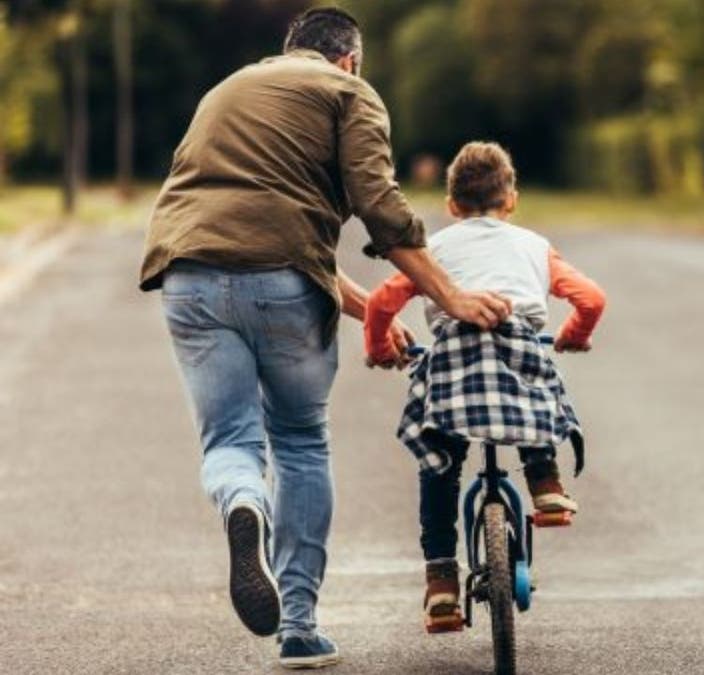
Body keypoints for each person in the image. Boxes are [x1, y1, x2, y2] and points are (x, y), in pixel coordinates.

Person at [137, 8, 511, 669]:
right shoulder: (348, 92)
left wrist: (376, 313)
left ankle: (244, 503)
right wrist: (449, 295)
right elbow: (379, 205)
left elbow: (273, 230)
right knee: (300, 440)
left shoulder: (227, 91)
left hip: (187, 276)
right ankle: (300, 628)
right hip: (282, 286)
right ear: (350, 61)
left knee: (230, 440)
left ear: (290, 51)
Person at [363, 141, 606, 632]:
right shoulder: (534, 246)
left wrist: (380, 348)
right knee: (537, 382)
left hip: (455, 365)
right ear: (510, 199)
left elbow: (380, 303)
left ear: (451, 206)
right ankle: (545, 484)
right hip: (517, 355)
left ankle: (441, 586)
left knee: (441, 465)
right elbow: (592, 299)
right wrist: (573, 336)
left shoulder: (432, 252)